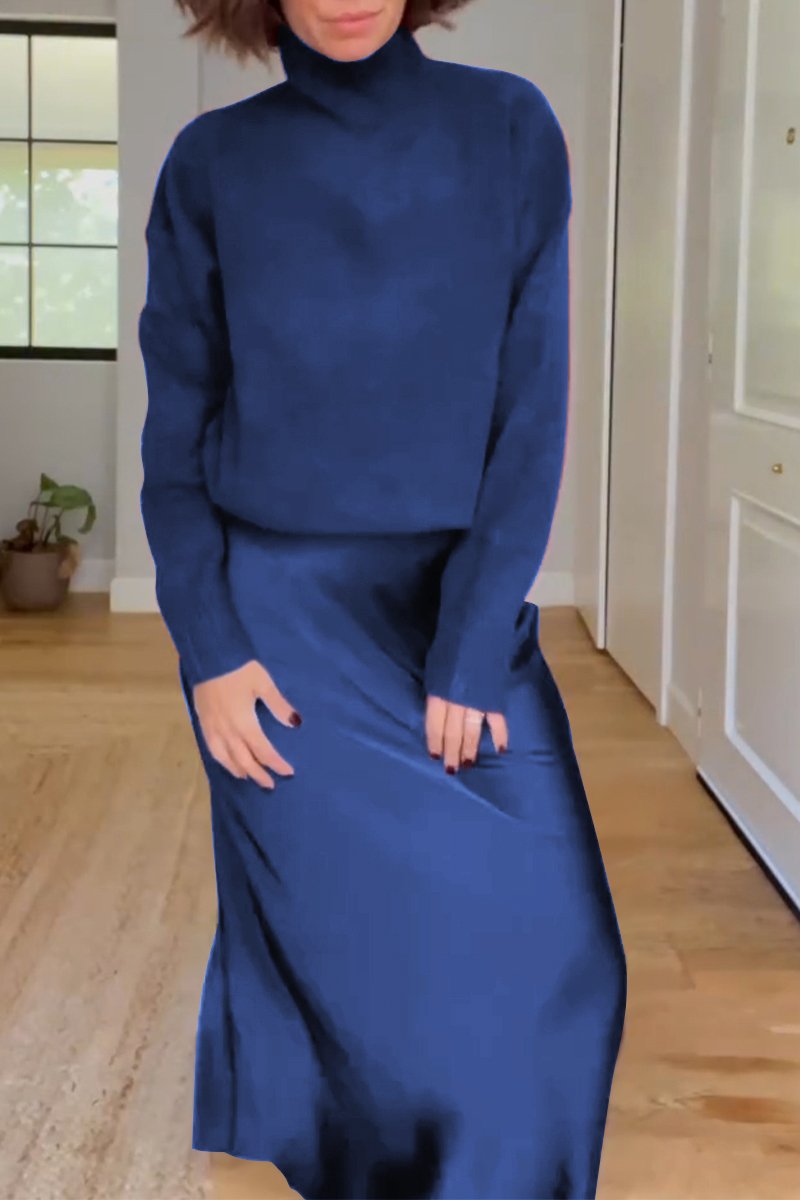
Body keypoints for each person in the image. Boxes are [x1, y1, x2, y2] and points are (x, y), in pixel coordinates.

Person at [138, 0, 628, 1196]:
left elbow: (530, 408)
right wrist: (209, 649)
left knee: (565, 964)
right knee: (365, 992)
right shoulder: (212, 162)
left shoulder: (507, 127)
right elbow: (176, 436)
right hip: (278, 629)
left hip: (453, 602)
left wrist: (469, 645)